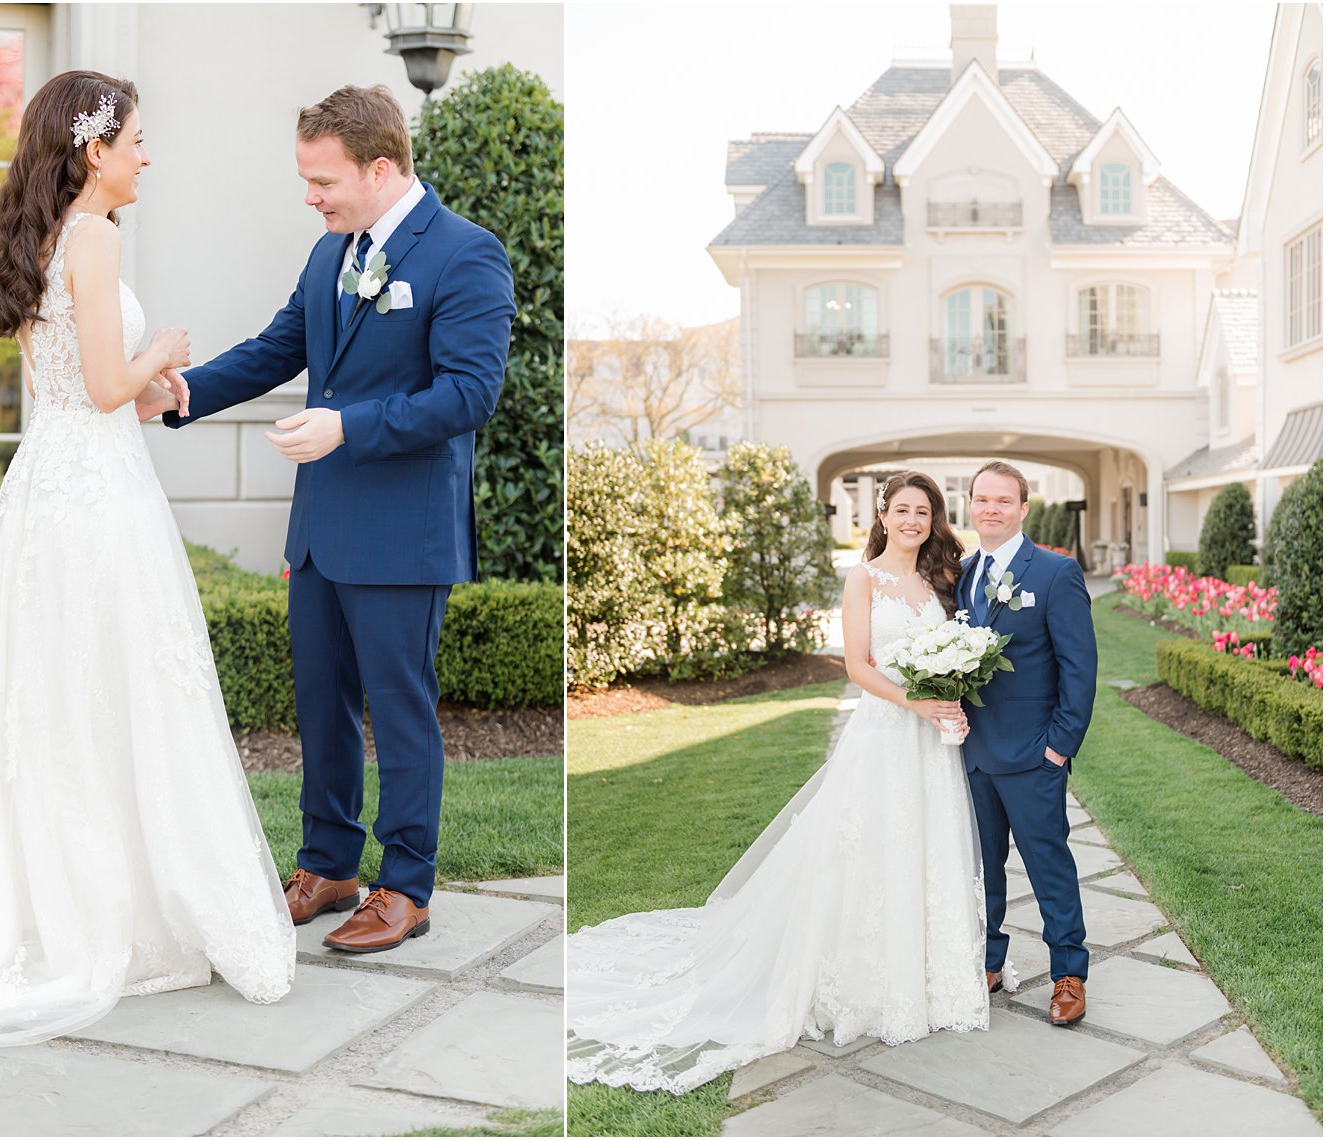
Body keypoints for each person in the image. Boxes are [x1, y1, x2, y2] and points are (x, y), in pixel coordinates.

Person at [0, 70, 295, 1081]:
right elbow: (107, 385)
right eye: (137, 140)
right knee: (117, 691)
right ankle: (117, 914)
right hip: (98, 496)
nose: (146, 155)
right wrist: (160, 353)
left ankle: (70, 897)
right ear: (92, 150)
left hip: (52, 484)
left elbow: (76, 386)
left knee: (67, 699)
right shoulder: (99, 236)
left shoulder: (44, 237)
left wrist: (148, 386)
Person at [137, 85, 515, 954]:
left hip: (403, 531)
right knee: (321, 706)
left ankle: (405, 886)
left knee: (401, 708)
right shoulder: (329, 253)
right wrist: (183, 394)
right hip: (321, 528)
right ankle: (330, 865)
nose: (310, 196)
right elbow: (281, 346)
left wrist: (348, 425)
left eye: (323, 180)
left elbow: (470, 394)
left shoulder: (465, 255)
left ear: (380, 169)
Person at [566, 471, 989, 1095]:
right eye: (901, 510)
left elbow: (954, 648)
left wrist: (947, 696)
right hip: (887, 731)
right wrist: (917, 703)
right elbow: (856, 667)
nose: (912, 521)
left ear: (935, 519)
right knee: (868, 848)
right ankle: (869, 981)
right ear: (884, 515)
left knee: (928, 849)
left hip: (932, 742)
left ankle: (933, 977)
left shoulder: (942, 579)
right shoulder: (863, 577)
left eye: (922, 512)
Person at [958, 460, 1096, 1025]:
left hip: (1034, 755)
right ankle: (988, 962)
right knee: (979, 866)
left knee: (1049, 865)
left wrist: (1058, 748)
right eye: (981, 499)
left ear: (1022, 508)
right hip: (970, 753)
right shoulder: (963, 573)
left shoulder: (1054, 573)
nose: (991, 509)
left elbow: (1079, 669)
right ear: (972, 505)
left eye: (1002, 500)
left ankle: (1069, 973)